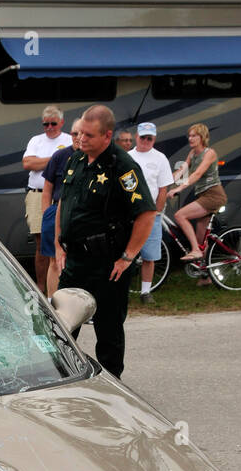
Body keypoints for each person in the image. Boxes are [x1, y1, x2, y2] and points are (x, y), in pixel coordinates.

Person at [54, 104, 156, 377]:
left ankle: (112, 386)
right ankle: (59, 380)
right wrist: (58, 245)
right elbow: (64, 203)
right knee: (61, 325)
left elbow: (146, 213)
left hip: (108, 263)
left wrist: (128, 257)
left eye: (88, 135)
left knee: (108, 329)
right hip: (75, 260)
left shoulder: (122, 166)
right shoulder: (75, 159)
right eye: (79, 134)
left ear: (106, 136)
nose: (81, 139)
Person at [167, 123, 225, 270]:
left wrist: (179, 188)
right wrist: (162, 183)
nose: (190, 138)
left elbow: (197, 174)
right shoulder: (192, 153)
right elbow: (181, 171)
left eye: (194, 136)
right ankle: (205, 274)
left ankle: (195, 251)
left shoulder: (209, 153)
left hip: (213, 195)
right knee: (200, 240)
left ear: (202, 137)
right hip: (203, 195)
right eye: (190, 135)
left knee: (180, 216)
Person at [128, 121, 175, 303]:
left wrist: (157, 210)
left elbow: (163, 187)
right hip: (130, 212)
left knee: (150, 255)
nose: (146, 141)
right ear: (136, 137)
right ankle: (122, 288)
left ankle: (145, 292)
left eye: (150, 138)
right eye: (143, 137)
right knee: (127, 252)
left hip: (150, 213)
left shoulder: (160, 158)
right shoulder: (128, 157)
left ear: (154, 139)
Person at [22, 107, 72, 268]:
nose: (49, 127)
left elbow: (34, 163)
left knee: (65, 240)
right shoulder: (36, 140)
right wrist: (57, 159)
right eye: (46, 124)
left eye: (53, 123)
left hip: (63, 196)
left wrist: (40, 162)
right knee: (42, 243)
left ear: (62, 122)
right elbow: (27, 163)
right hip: (37, 195)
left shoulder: (70, 140)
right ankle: (41, 288)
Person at [39, 118, 82, 297]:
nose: (78, 137)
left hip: (81, 216)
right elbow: (47, 189)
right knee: (55, 262)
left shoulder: (94, 158)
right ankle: (52, 304)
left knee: (79, 262)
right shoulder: (60, 156)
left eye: (83, 133)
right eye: (75, 133)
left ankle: (79, 305)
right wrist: (47, 214)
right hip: (56, 212)